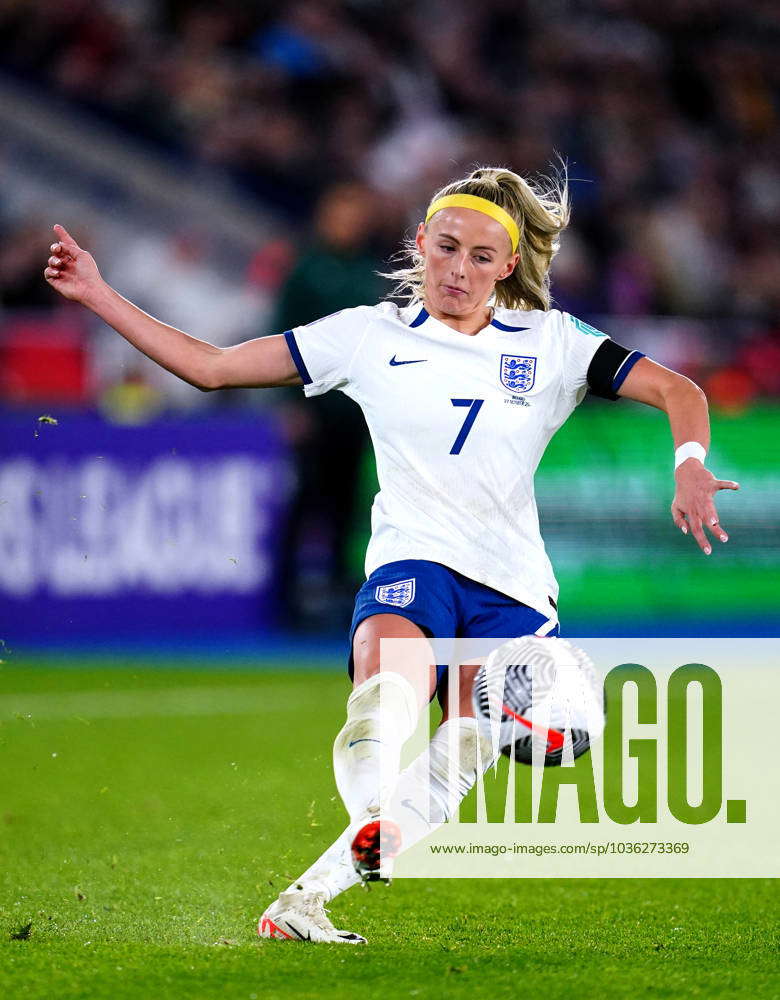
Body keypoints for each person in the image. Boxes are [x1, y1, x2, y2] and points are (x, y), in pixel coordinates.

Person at [44, 166, 739, 946]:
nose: (458, 270)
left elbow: (681, 389)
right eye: (446, 248)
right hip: (412, 561)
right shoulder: (367, 336)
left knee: (461, 754)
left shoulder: (554, 342)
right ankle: (375, 819)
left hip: (513, 590)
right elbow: (211, 368)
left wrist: (687, 461)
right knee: (386, 702)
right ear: (421, 243)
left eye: (481, 257)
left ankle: (304, 902)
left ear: (509, 265)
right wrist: (98, 295)